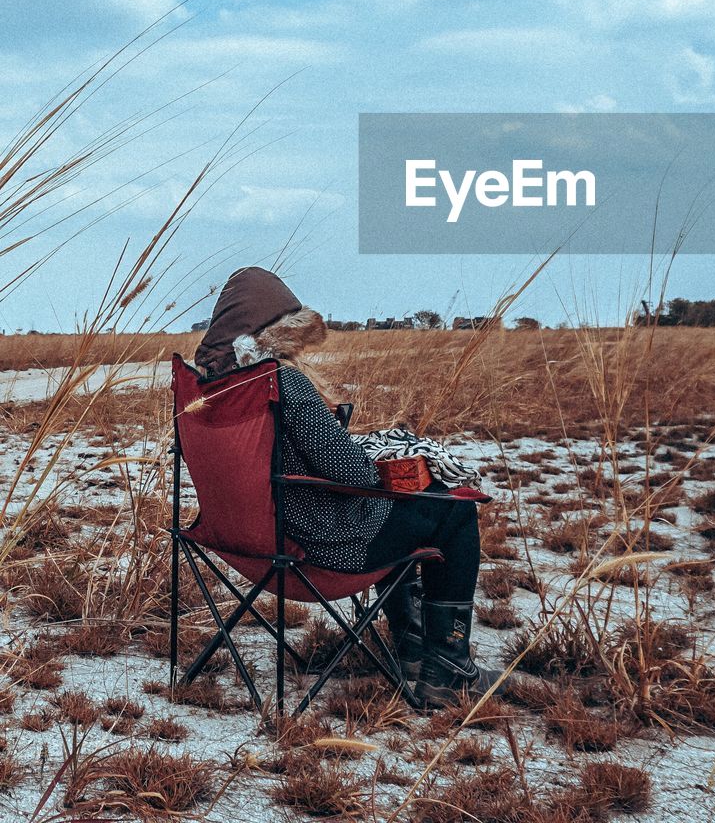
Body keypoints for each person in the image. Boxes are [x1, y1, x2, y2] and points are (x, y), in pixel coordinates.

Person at [194, 266, 503, 708]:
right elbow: (354, 475)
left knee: (411, 508)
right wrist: (378, 455)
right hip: (320, 548)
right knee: (450, 508)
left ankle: (415, 649)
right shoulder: (282, 383)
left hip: (241, 541)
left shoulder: (204, 391)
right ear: (272, 334)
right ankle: (447, 669)